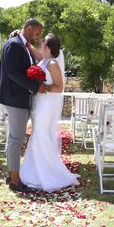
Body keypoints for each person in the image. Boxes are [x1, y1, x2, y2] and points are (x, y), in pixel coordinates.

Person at [0, 18, 50, 191]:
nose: (38, 37)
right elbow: (12, 73)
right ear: (29, 28)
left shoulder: (22, 44)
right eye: (37, 33)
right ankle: (15, 181)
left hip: (19, 98)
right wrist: (35, 86)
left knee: (15, 138)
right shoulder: (14, 44)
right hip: (14, 98)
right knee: (16, 139)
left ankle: (12, 175)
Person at [20, 33, 79, 192]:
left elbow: (59, 87)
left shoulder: (52, 63)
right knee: (37, 135)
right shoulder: (44, 60)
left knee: (40, 135)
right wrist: (25, 42)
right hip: (39, 103)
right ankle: (34, 173)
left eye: (43, 42)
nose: (40, 44)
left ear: (48, 47)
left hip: (46, 105)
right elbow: (36, 53)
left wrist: (44, 87)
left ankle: (48, 173)